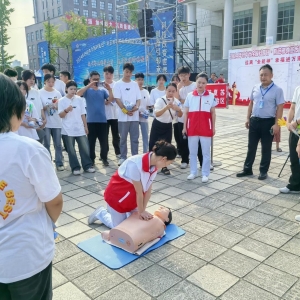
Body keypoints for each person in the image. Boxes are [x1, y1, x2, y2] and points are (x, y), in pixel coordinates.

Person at [0, 73, 63, 300]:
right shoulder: (28, 149)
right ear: (13, 110)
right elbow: (54, 201)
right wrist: (49, 224)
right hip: (26, 256)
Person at [88, 140, 177, 228]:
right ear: (164, 159)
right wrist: (141, 211)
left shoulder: (154, 167)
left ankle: (125, 215)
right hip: (117, 197)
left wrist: (142, 210)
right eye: (169, 163)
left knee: (136, 225)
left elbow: (148, 192)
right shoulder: (135, 164)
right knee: (119, 228)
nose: (167, 166)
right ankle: (101, 213)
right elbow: (139, 192)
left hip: (132, 199)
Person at [236, 64, 285, 180]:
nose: (263, 77)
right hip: (254, 121)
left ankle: (263, 171)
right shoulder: (255, 87)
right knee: (251, 146)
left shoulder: (277, 90)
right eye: (261, 75)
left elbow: (280, 108)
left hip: (268, 122)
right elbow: (251, 104)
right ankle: (247, 169)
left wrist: (277, 124)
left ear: (272, 75)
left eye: (266, 75)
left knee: (266, 148)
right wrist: (248, 118)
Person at [183, 73, 217, 183]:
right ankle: (193, 172)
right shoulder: (190, 96)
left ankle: (205, 173)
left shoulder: (211, 96)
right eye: (199, 82)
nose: (201, 85)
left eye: (203, 83)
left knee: (205, 152)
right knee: (192, 152)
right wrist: (184, 127)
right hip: (192, 127)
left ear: (207, 84)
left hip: (206, 128)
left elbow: (213, 113)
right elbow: (186, 112)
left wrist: (213, 127)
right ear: (196, 82)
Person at [77, 71, 113, 167]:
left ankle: (104, 158)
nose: (96, 81)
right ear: (90, 79)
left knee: (104, 141)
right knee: (91, 142)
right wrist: (89, 85)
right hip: (91, 121)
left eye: (97, 79)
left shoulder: (102, 91)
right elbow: (78, 94)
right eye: (94, 79)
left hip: (102, 120)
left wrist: (109, 90)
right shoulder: (87, 91)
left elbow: (110, 100)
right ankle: (91, 159)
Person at [58, 80, 95, 175]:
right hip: (67, 129)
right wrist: (66, 110)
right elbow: (61, 115)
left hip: (79, 128)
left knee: (85, 148)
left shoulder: (79, 99)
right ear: (66, 89)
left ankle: (87, 165)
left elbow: (83, 114)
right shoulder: (62, 101)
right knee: (71, 150)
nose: (73, 91)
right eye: (71, 89)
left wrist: (85, 126)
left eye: (75, 89)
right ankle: (75, 167)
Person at [101, 207, 172, 253]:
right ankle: (117, 234)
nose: (161, 207)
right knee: (132, 224)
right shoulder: (150, 215)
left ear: (167, 219)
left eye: (164, 209)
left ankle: (116, 236)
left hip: (134, 237)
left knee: (139, 230)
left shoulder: (161, 224)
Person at [149, 83, 182, 175]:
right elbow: (157, 114)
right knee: (153, 145)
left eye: (173, 91)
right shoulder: (160, 100)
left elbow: (180, 115)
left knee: (167, 147)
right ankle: (150, 164)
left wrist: (178, 109)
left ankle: (164, 167)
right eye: (169, 91)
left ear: (176, 92)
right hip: (157, 125)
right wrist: (166, 107)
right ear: (165, 91)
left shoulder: (176, 101)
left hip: (168, 126)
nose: (171, 93)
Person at [113, 63, 141, 166]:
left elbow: (138, 99)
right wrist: (125, 111)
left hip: (134, 116)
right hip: (122, 117)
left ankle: (135, 157)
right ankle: (123, 157)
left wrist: (137, 107)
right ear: (123, 71)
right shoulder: (118, 84)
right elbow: (117, 99)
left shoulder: (134, 84)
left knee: (135, 138)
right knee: (123, 138)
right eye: (126, 72)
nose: (128, 74)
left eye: (130, 72)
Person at [40, 74, 64, 171]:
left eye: (52, 82)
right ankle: (47, 163)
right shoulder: (40, 92)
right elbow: (39, 107)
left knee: (58, 144)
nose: (51, 83)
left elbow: (61, 106)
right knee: (46, 144)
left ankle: (59, 162)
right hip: (46, 122)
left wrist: (55, 106)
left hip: (57, 121)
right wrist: (46, 107)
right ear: (45, 81)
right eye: (48, 81)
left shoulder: (57, 93)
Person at [279, 86, 300, 193]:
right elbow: (292, 108)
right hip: (296, 129)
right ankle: (295, 184)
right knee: (294, 158)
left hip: (297, 125)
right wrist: (288, 122)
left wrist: (296, 122)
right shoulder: (297, 89)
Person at [177, 66, 196, 169]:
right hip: (181, 117)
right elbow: (176, 99)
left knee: (193, 139)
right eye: (181, 75)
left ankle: (195, 158)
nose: (183, 77)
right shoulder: (179, 88)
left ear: (189, 75)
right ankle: (185, 160)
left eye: (185, 75)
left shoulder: (194, 85)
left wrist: (183, 100)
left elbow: (194, 100)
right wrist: (178, 89)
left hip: (192, 117)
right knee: (182, 139)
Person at [22, 70, 46, 143]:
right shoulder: (20, 92)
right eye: (30, 79)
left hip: (37, 122)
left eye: (33, 79)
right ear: (23, 78)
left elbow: (40, 106)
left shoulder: (36, 91)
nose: (32, 81)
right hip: (25, 124)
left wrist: (44, 118)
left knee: (39, 143)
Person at [103, 66, 121, 158]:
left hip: (115, 114)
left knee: (116, 135)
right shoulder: (100, 85)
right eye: (106, 73)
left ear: (113, 75)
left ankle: (118, 152)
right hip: (104, 115)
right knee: (104, 136)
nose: (108, 75)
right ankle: (104, 154)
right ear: (104, 74)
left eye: (110, 73)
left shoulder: (117, 84)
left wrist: (109, 100)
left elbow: (117, 97)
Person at [135, 72, 151, 153]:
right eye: (138, 79)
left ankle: (145, 153)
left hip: (144, 118)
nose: (140, 81)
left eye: (142, 80)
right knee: (135, 136)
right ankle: (136, 153)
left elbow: (148, 105)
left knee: (145, 136)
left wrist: (146, 112)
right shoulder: (133, 91)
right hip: (134, 117)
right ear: (135, 80)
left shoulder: (146, 92)